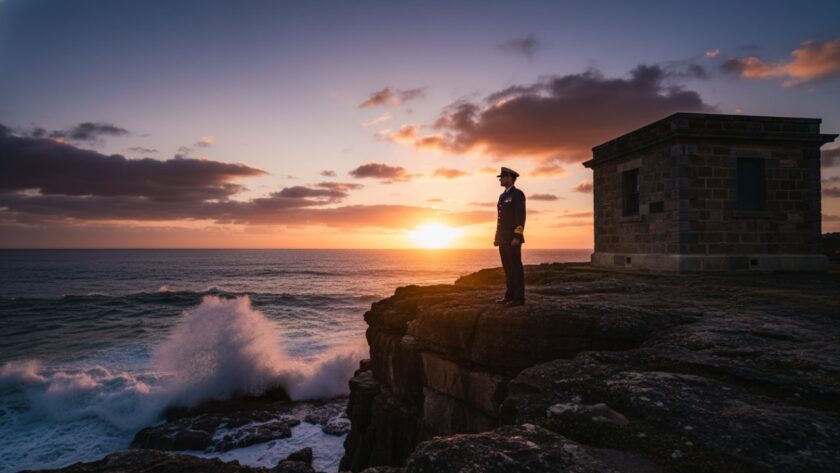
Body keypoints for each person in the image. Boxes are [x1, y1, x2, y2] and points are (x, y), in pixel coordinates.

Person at [493, 167, 526, 306]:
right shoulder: (502, 196)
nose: (500, 179)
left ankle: (519, 298)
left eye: (502, 177)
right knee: (507, 268)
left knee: (515, 268)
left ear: (510, 178)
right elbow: (499, 219)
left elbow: (520, 216)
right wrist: (497, 237)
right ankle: (509, 296)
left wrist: (517, 236)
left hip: (513, 239)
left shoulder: (517, 194)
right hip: (503, 239)